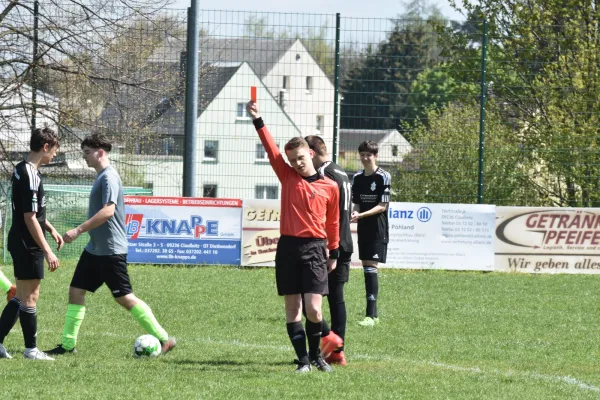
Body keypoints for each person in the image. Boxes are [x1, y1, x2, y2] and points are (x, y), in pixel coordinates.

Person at [45, 133, 175, 356]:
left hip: (110, 251)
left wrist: (78, 230)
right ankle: (67, 345)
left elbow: (108, 211)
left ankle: (164, 339)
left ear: (100, 152)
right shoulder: (101, 177)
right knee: (76, 291)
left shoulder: (108, 177)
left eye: (87, 153)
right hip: (95, 250)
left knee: (124, 297)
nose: (85, 158)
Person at [247, 101, 340, 373]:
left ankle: (316, 356)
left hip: (314, 249)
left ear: (310, 154)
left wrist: (333, 252)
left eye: (300, 158)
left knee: (315, 310)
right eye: (292, 161)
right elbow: (271, 149)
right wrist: (258, 119)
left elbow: (333, 222)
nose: (297, 164)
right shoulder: (287, 177)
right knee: (293, 308)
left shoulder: (330, 186)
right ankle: (302, 361)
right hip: (288, 248)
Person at [0, 127, 63, 360]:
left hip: (19, 238)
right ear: (45, 147)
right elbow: (29, 217)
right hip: (28, 242)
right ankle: (31, 349)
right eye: (55, 150)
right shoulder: (31, 174)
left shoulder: (20, 168)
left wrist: (50, 227)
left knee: (21, 296)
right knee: (30, 297)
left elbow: (31, 212)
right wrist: (47, 251)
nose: (55, 155)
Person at [305, 135, 352, 366]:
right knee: (336, 299)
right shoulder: (341, 171)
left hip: (329, 243)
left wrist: (326, 245)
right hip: (345, 241)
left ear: (312, 153)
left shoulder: (325, 174)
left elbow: (326, 212)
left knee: (310, 299)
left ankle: (331, 342)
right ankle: (337, 352)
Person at [351, 141, 391, 327]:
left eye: (369, 154)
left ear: (375, 156)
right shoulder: (358, 177)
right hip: (363, 227)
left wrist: (361, 215)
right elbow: (357, 202)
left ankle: (370, 315)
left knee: (371, 266)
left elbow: (382, 207)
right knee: (366, 266)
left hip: (377, 227)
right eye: (363, 154)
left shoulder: (383, 176)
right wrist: (354, 212)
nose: (365, 158)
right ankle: (372, 316)